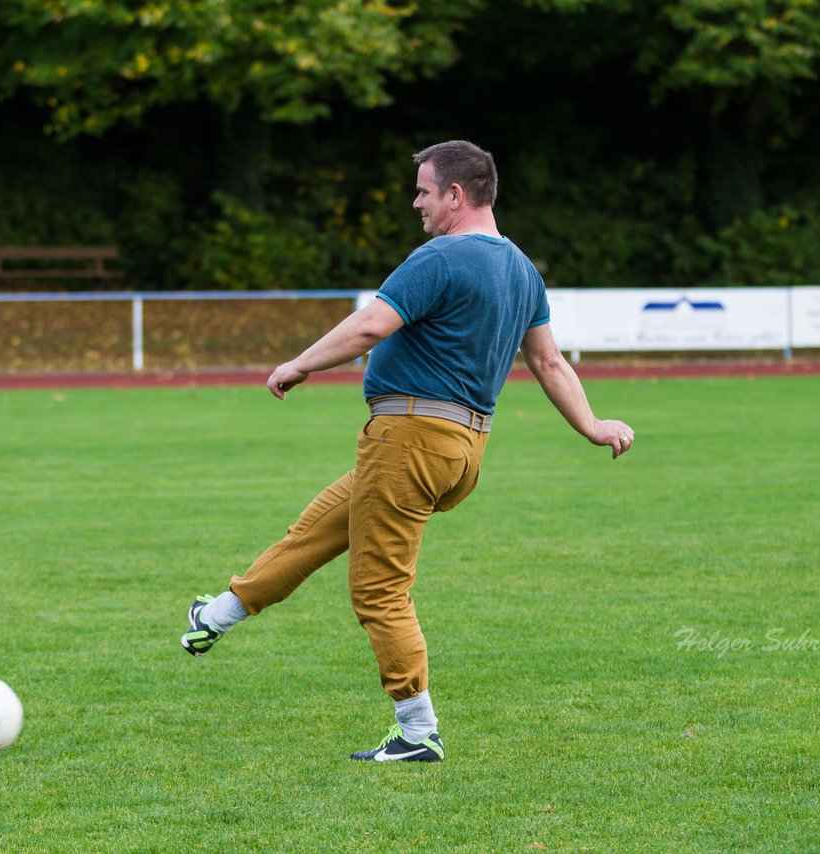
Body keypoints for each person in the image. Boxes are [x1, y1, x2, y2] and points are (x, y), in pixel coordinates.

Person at [181, 140, 634, 762]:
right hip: (462, 451)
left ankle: (417, 731)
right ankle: (222, 611)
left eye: (423, 191)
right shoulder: (522, 269)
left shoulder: (441, 256)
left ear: (456, 194)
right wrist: (593, 425)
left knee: (378, 590)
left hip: (411, 439)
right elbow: (549, 361)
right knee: (320, 527)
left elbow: (371, 326)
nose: (415, 202)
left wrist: (298, 364)